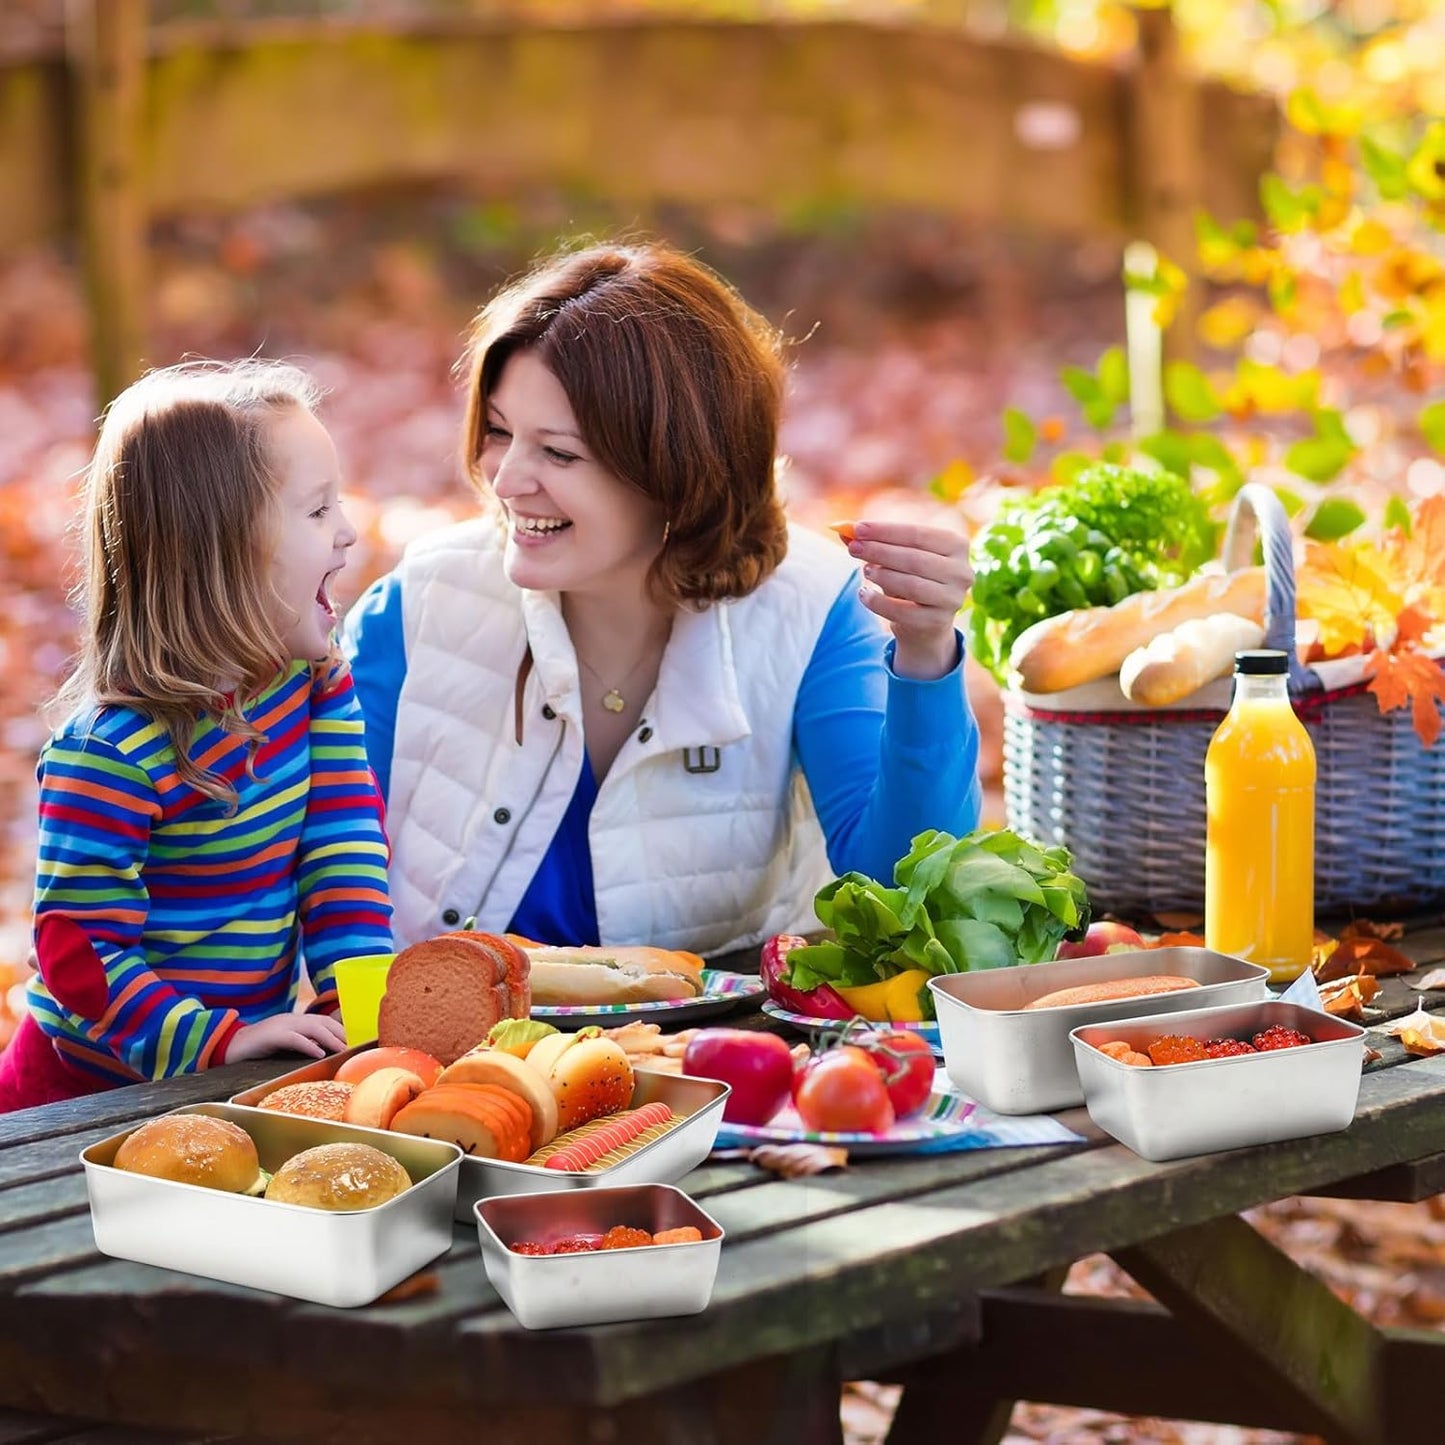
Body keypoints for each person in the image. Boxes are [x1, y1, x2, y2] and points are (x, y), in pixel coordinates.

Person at [343, 241, 981, 957]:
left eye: (559, 453)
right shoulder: (415, 606)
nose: (508, 477)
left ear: (676, 470)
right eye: (498, 432)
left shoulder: (811, 607)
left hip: (710, 1052)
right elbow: (321, 866)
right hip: (445, 1051)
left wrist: (925, 654)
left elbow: (901, 886)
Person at [0, 360, 393, 1112]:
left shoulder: (311, 685)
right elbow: (82, 957)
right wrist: (218, 1039)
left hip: (228, 1070)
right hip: (85, 1089)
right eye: (316, 512)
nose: (348, 533)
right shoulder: (110, 753)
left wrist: (363, 1011)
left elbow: (342, 856)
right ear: (218, 550)